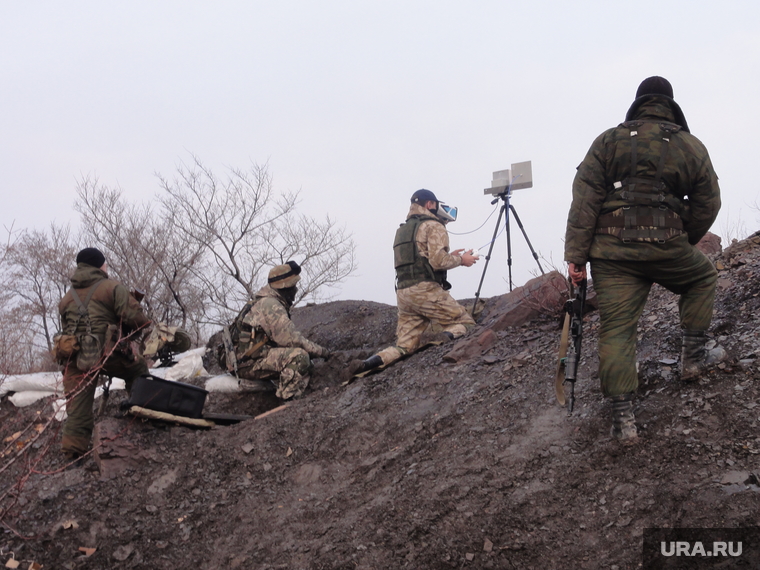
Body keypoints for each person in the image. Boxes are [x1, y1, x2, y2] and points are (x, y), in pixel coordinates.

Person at [564, 76, 724, 441]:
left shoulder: (608, 141)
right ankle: (693, 358)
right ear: (670, 105)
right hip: (668, 246)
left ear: (638, 104)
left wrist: (576, 257)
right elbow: (708, 203)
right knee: (702, 278)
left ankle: (623, 419)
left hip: (611, 254)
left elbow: (584, 200)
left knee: (618, 329)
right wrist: (686, 236)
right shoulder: (690, 145)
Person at [350, 189, 479, 375]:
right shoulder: (434, 225)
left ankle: (368, 364)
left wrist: (447, 256)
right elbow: (438, 262)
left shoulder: (403, 230)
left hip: (404, 294)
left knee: (404, 346)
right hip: (425, 290)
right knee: (465, 323)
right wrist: (462, 260)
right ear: (430, 205)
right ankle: (443, 340)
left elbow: (421, 258)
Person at [57, 248, 151, 457]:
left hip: (75, 358)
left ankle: (73, 454)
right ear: (100, 265)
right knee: (138, 369)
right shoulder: (112, 287)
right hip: (106, 354)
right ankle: (144, 418)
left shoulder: (67, 298)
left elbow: (66, 330)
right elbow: (137, 320)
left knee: (77, 406)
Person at [233, 261, 330, 400]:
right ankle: (288, 401)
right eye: (293, 286)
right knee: (299, 357)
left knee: (301, 360)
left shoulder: (261, 301)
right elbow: (292, 340)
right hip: (247, 363)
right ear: (285, 287)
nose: (296, 290)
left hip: (244, 360)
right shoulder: (271, 305)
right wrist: (323, 352)